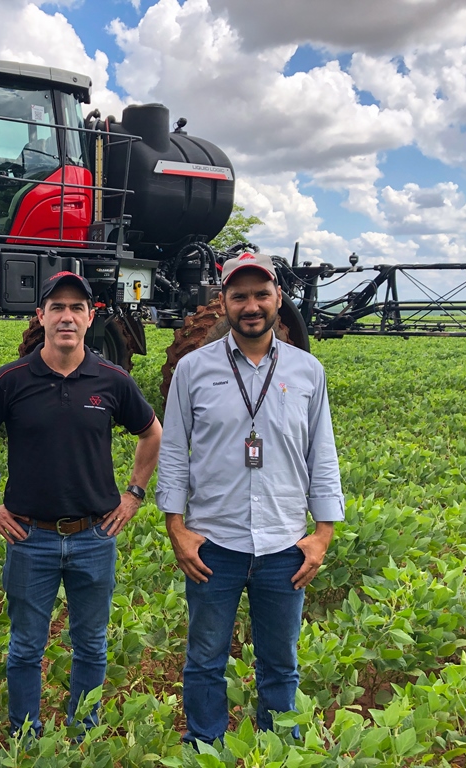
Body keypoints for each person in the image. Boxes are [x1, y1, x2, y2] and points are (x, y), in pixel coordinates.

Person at [156, 251, 344, 745]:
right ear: (223, 303)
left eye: (261, 294)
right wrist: (177, 528)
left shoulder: (307, 371)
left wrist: (322, 534)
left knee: (281, 666)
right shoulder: (194, 369)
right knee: (204, 662)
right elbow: (173, 451)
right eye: (239, 296)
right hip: (214, 544)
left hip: (285, 546)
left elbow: (321, 453)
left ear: (278, 298)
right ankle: (204, 748)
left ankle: (280, 750)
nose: (251, 305)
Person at [0, 271, 163, 736]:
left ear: (90, 318)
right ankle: (26, 735)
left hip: (94, 535)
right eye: (58, 307)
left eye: (77, 308)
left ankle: (84, 731)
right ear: (40, 316)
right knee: (25, 647)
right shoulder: (10, 380)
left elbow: (152, 433)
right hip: (29, 538)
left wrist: (134, 495)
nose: (67, 316)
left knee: (91, 645)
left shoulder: (112, 380)